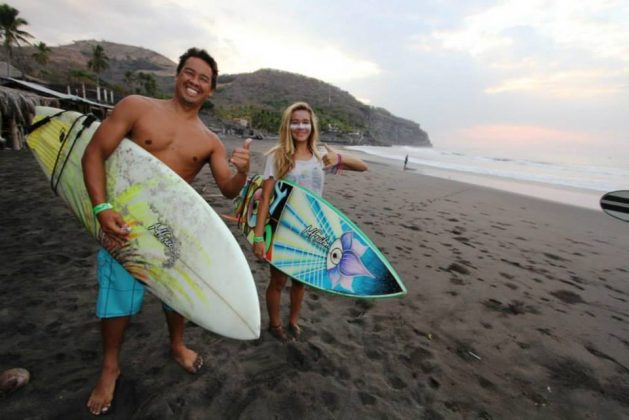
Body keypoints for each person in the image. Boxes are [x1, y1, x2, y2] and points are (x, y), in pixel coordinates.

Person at [81, 47, 251, 415]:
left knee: (177, 295)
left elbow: (228, 189)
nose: (195, 81)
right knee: (117, 299)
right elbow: (94, 153)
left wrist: (243, 170)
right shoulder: (136, 107)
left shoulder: (210, 140)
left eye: (203, 79)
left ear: (211, 90)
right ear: (177, 76)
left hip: (173, 228)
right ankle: (111, 366)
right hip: (125, 221)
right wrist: (101, 207)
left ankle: (176, 344)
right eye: (189, 73)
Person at [252, 102, 367, 342]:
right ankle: (275, 324)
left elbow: (363, 167)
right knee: (278, 281)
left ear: (312, 125)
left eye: (305, 121)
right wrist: (259, 236)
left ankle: (293, 320)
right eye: (295, 121)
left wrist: (338, 157)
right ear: (288, 125)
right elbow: (266, 200)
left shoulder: (320, 157)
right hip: (283, 227)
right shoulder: (278, 156)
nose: (300, 126)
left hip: (312, 230)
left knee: (301, 281)